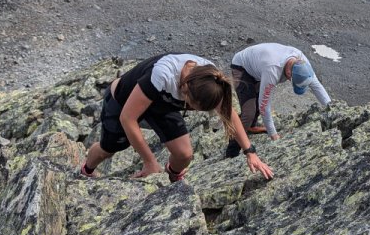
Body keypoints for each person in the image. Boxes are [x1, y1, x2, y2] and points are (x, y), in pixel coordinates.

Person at [81, 53, 274, 182]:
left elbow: (229, 114)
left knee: (184, 154)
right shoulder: (163, 74)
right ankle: (86, 171)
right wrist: (149, 162)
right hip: (123, 100)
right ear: (185, 89)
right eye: (192, 106)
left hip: (161, 105)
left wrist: (250, 152)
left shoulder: (210, 80)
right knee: (110, 148)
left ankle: (172, 178)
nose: (191, 110)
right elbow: (128, 118)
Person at [226, 43, 331, 157]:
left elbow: (316, 86)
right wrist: (274, 135)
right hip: (242, 67)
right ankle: (232, 150)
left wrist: (331, 107)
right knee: (249, 112)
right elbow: (264, 106)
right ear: (289, 73)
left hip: (259, 65)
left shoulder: (302, 63)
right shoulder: (272, 70)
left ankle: (251, 126)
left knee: (257, 98)